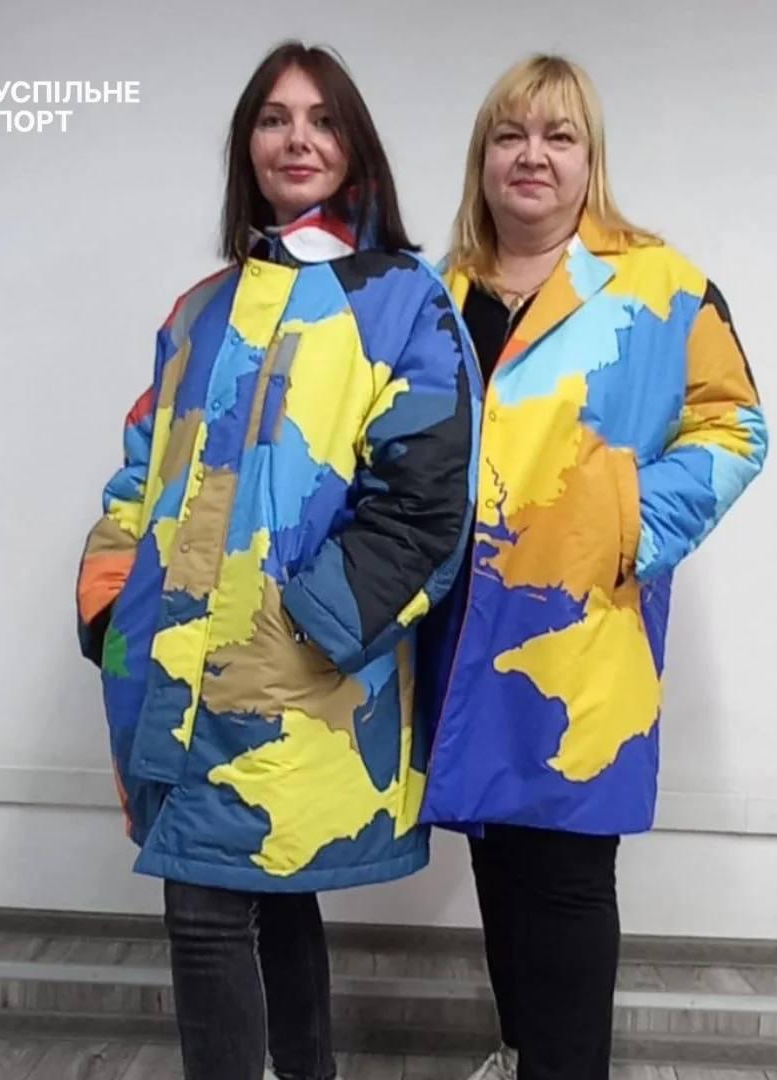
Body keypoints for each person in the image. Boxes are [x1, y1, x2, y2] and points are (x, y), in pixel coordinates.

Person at [75, 41, 480, 1080]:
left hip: (296, 676)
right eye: (274, 118)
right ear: (246, 146)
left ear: (355, 146)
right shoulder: (198, 311)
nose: (297, 139)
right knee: (265, 890)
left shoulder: (402, 300)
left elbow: (427, 498)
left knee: (210, 909)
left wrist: (305, 626)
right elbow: (140, 471)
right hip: (170, 665)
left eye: (321, 119)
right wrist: (108, 603)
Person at [415, 55, 769, 1080]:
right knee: (495, 849)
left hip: (581, 633)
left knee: (566, 872)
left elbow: (735, 428)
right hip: (459, 629)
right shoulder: (433, 295)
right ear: (482, 158)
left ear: (590, 160)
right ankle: (521, 1050)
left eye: (558, 136)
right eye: (510, 134)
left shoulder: (662, 285)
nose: (532, 156)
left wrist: (622, 523)